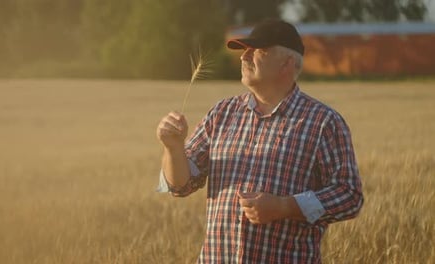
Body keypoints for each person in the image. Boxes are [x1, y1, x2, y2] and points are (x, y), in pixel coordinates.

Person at [156, 19, 364, 263]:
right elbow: (180, 186)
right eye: (245, 50)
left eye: (258, 51)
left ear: (287, 63)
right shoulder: (222, 113)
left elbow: (349, 196)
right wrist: (173, 148)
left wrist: (285, 207)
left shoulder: (323, 122)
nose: (245, 57)